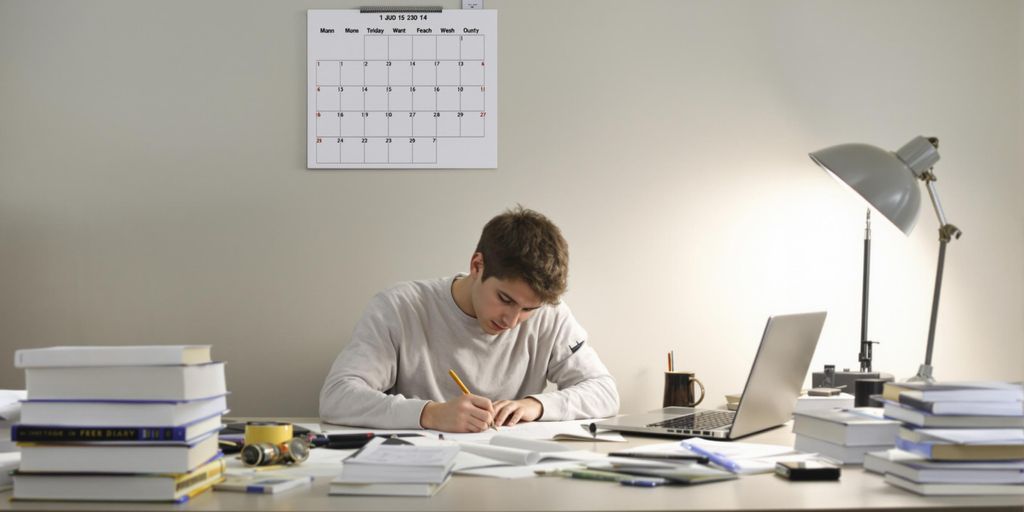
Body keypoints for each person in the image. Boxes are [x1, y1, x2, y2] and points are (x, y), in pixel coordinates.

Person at [319, 206, 619, 432]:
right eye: (505, 299)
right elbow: (336, 397)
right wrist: (430, 414)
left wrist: (536, 406)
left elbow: (605, 392)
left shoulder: (551, 316)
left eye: (529, 309)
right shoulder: (400, 308)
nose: (513, 321)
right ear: (477, 265)